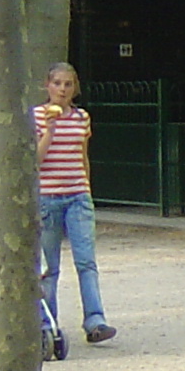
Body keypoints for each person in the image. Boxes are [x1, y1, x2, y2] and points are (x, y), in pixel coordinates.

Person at [33, 62, 114, 344]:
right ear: (47, 85)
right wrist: (50, 131)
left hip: (77, 195)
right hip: (47, 197)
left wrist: (87, 190)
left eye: (68, 84)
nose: (62, 90)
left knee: (86, 261)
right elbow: (36, 160)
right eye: (57, 83)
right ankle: (47, 322)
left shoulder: (81, 118)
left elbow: (83, 155)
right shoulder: (37, 116)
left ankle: (95, 319)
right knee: (49, 266)